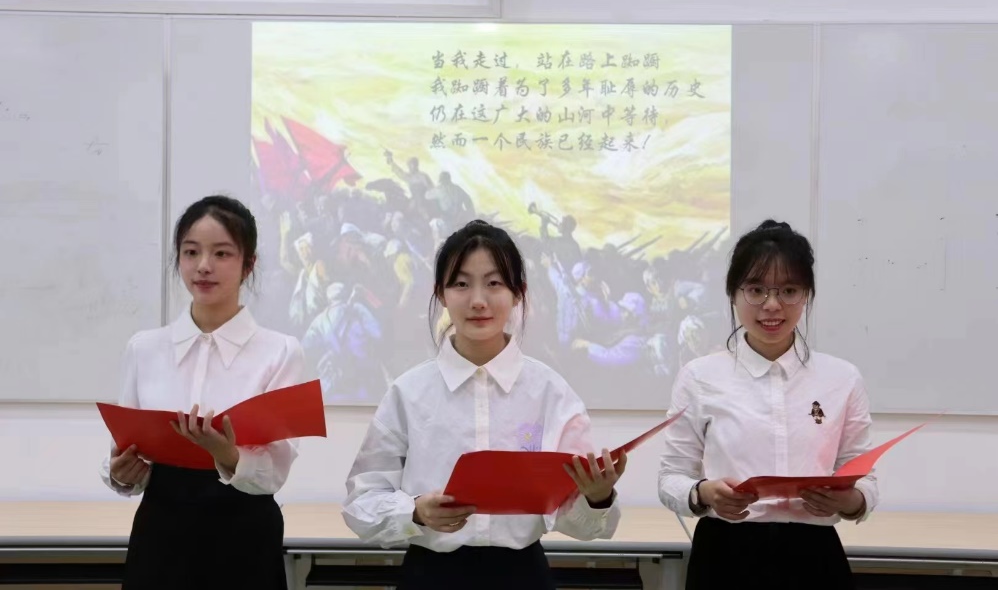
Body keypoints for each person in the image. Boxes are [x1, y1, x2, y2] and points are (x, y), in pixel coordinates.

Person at [342, 219, 627, 590]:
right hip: (431, 576)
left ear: (518, 293)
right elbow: (361, 502)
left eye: (494, 283)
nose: (478, 300)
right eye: (461, 284)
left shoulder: (550, 392)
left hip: (522, 576)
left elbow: (581, 524)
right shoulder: (408, 392)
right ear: (441, 294)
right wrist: (415, 511)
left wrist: (598, 497)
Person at [99, 195, 307, 589]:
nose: (203, 266)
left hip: (244, 535)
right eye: (191, 252)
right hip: (161, 531)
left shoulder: (280, 351)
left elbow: (275, 472)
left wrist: (226, 454)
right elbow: (125, 450)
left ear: (249, 264)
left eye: (222, 253)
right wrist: (122, 473)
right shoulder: (144, 348)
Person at [658, 219, 877, 589]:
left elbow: (865, 479)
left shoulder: (842, 378)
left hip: (814, 556)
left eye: (789, 290)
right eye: (756, 290)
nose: (772, 305)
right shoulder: (699, 377)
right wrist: (703, 493)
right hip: (724, 555)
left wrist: (849, 501)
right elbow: (671, 478)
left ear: (806, 295)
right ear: (733, 293)